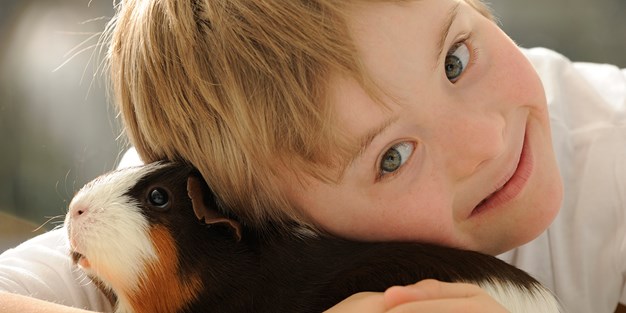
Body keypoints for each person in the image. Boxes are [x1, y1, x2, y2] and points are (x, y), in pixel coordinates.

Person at [1, 0, 625, 312]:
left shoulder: (611, 150)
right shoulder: (198, 206)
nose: (487, 140)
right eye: (392, 157)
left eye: (455, 60)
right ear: (244, 222)